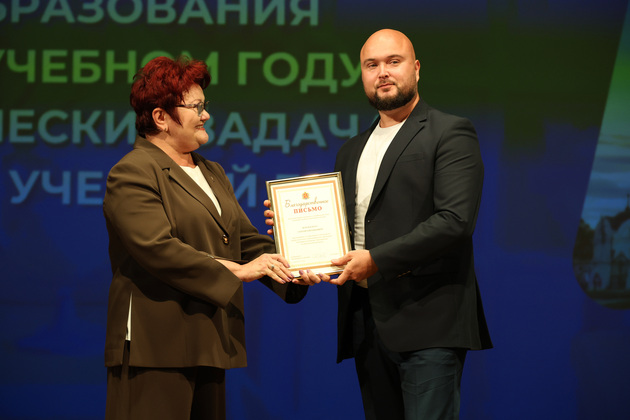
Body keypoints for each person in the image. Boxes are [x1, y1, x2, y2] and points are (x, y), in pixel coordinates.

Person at [265, 29, 492, 419]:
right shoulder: (351, 149)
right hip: (367, 323)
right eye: (371, 65)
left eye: (393, 61)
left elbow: (455, 221)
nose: (382, 72)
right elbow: (345, 230)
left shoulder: (449, 132)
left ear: (416, 69)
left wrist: (375, 260)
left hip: (428, 321)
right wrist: (292, 231)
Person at [103, 56, 321, 420]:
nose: (205, 115)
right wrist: (238, 271)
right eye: (196, 107)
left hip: (209, 339)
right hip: (155, 345)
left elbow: (245, 242)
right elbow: (157, 248)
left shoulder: (211, 170)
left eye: (205, 106)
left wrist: (298, 263)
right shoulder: (133, 171)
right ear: (160, 117)